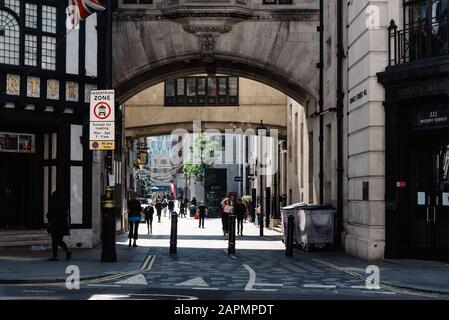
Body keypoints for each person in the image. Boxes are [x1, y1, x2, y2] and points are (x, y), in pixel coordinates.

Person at [46, 191, 72, 261]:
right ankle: (67, 251)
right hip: (62, 225)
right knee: (59, 240)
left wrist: (49, 224)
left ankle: (56, 256)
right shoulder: (64, 204)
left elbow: (49, 215)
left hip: (54, 225)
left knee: (55, 241)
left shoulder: (53, 203)